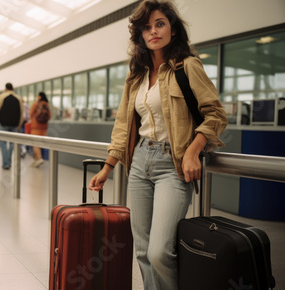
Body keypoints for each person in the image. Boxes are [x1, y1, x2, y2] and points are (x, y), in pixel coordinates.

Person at [88, 1, 228, 289]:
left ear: (173, 30)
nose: (153, 31)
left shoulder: (187, 66)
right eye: (146, 27)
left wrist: (193, 150)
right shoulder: (136, 76)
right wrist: (108, 167)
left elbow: (216, 114)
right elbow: (124, 126)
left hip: (171, 166)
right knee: (141, 249)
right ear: (139, 35)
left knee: (159, 251)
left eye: (160, 24)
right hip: (139, 163)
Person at [0, 83, 24, 170]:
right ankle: (8, 161)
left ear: (6, 88)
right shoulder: (18, 98)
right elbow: (22, 113)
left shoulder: (1, 97)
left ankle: (6, 163)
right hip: (15, 124)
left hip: (3, 124)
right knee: (13, 143)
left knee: (3, 143)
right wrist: (19, 125)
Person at [29, 92, 51, 167]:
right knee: (39, 143)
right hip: (44, 127)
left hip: (35, 126)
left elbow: (31, 113)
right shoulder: (47, 105)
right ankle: (36, 160)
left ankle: (39, 158)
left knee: (35, 143)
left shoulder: (36, 104)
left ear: (39, 97)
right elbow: (50, 116)